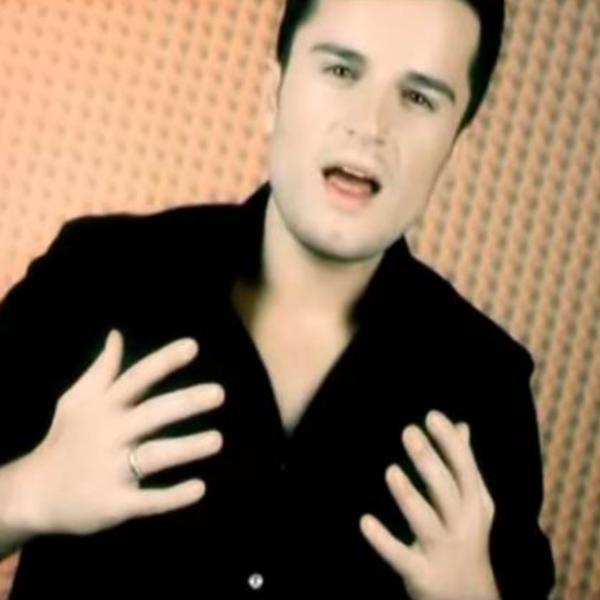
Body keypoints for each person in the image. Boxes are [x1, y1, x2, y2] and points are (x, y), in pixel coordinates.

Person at [0, 0, 555, 598]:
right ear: (274, 93)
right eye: (341, 70)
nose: (371, 125)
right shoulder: (99, 273)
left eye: (418, 98)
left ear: (455, 147)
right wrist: (30, 493)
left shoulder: (487, 387)